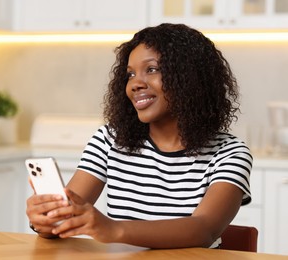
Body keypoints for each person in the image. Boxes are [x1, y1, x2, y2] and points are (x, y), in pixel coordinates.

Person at [26, 23, 252, 249]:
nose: (135, 83)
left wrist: (112, 228)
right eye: (130, 74)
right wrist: (46, 221)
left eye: (152, 69)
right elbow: (66, 218)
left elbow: (204, 229)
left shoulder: (229, 153)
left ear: (190, 76)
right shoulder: (109, 140)